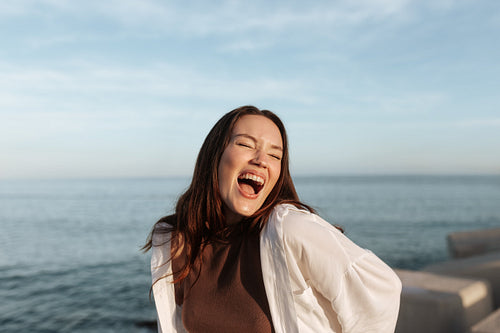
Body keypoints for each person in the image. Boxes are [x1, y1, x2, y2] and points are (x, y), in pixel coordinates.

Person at [143, 105, 402, 333]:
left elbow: (383, 290)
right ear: (214, 155)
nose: (261, 161)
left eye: (275, 155)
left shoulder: (288, 228)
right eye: (245, 144)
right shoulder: (175, 239)